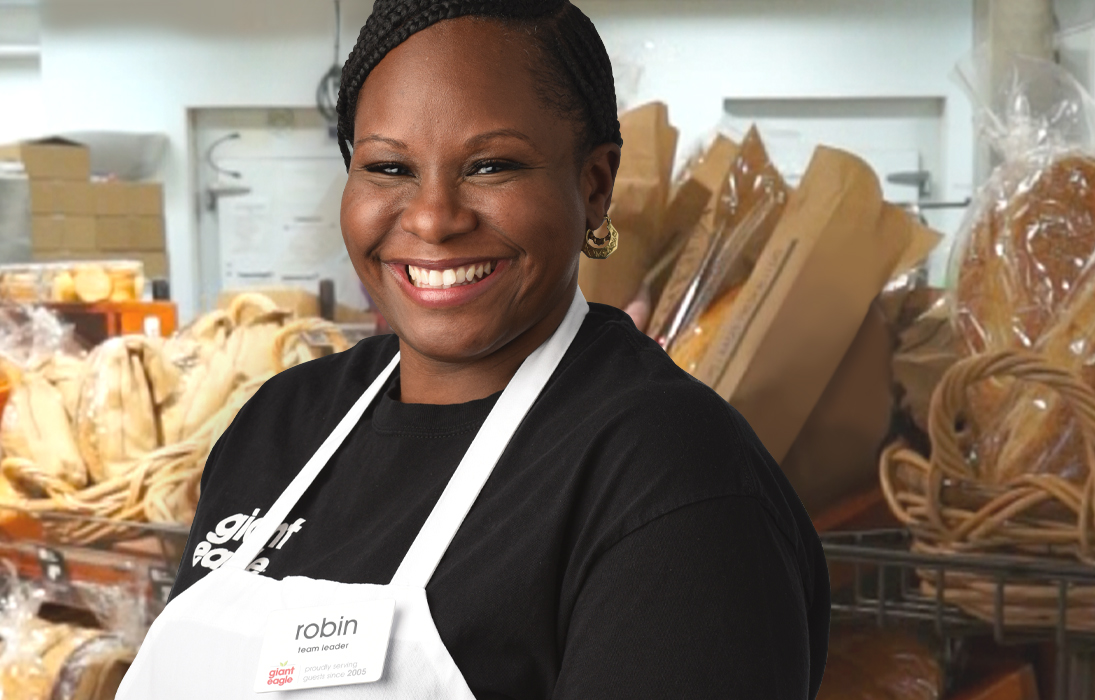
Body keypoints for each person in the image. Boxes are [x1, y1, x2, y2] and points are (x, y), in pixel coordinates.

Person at [115, 1, 828, 698]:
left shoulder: (669, 474)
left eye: (491, 166)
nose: (433, 219)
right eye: (389, 169)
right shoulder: (281, 422)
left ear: (595, 185)